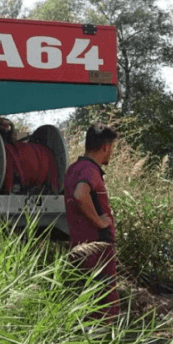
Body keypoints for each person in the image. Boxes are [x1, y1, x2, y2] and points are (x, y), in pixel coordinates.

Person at [64, 123, 119, 319]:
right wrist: (100, 222)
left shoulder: (73, 169)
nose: (111, 153)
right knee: (105, 302)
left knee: (87, 299)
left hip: (79, 245)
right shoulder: (90, 170)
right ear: (105, 147)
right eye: (112, 148)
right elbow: (80, 194)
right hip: (98, 247)